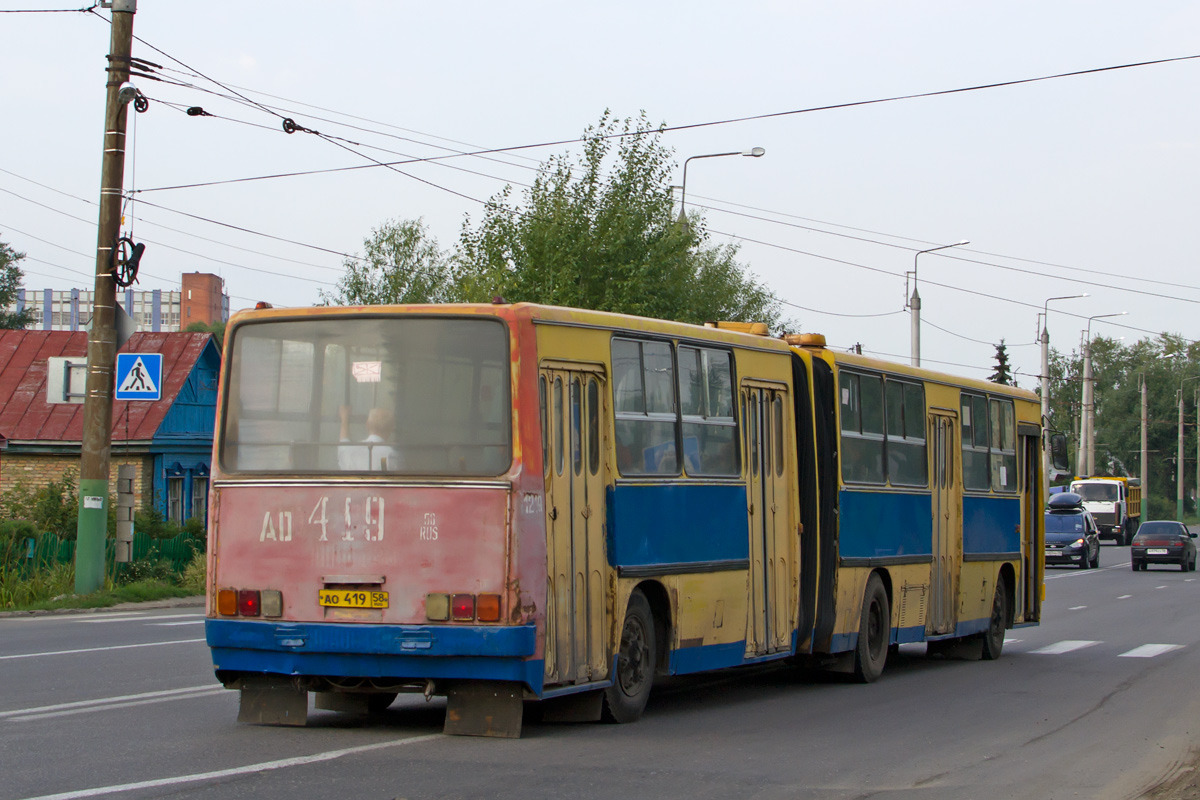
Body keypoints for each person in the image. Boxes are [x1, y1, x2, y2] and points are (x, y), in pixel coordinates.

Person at [338, 405, 398, 471]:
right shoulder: (391, 456)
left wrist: (344, 418)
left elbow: (343, 443)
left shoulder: (350, 451)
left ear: (367, 424)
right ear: (391, 429)